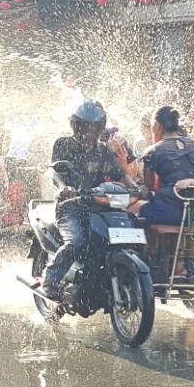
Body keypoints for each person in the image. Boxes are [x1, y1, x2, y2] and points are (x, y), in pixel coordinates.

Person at [42, 100, 130, 297]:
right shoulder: (63, 144)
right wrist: (64, 188)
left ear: (101, 127)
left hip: (98, 207)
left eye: (94, 127)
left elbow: (120, 175)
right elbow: (55, 171)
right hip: (70, 208)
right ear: (76, 125)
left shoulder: (104, 150)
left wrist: (136, 187)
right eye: (85, 126)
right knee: (77, 242)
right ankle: (50, 277)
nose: (90, 131)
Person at [128, 106, 194, 226]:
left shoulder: (153, 150)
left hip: (167, 211)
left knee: (128, 211)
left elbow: (150, 187)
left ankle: (144, 245)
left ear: (156, 125)